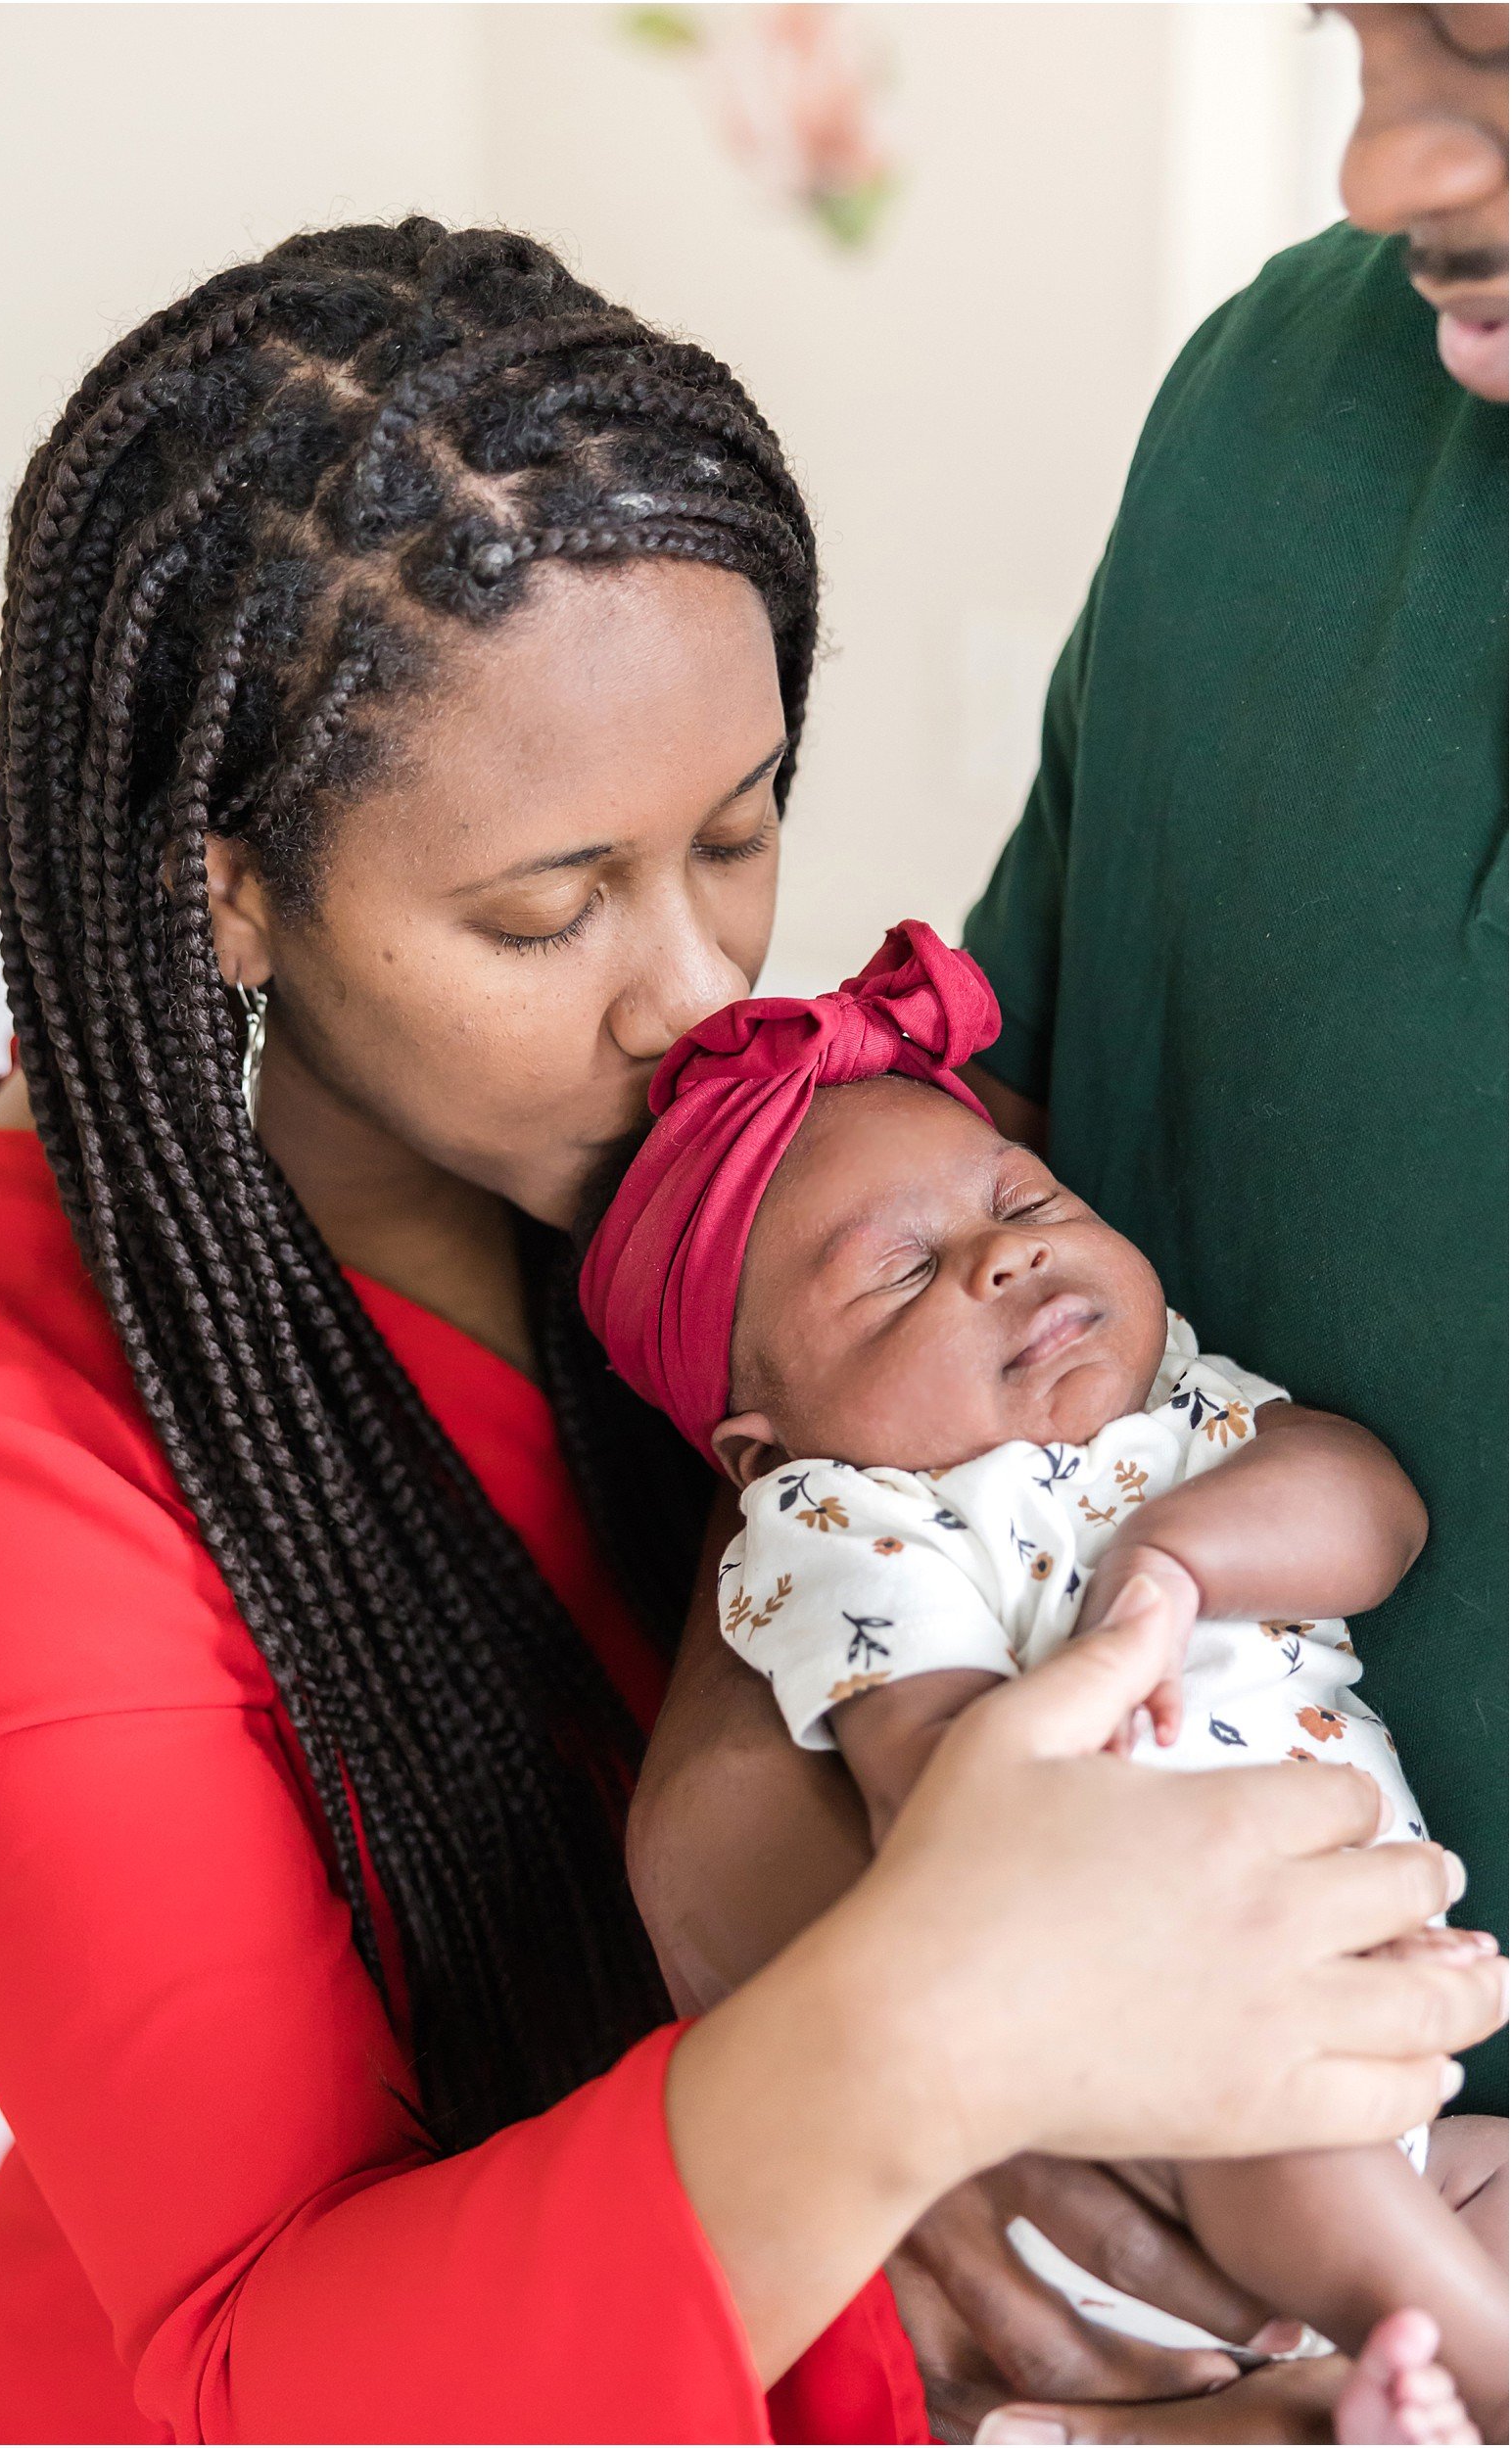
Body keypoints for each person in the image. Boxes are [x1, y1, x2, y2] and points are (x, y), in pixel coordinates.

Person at [0, 221, 1499, 2448]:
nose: (690, 993)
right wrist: (920, 2031)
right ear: (220, 883)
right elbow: (263, 2366)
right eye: (546, 907)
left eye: (740, 836)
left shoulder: (773, 1162)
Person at [625, 8, 1508, 2442]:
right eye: (1365, 21)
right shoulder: (1275, 432)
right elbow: (926, 1161)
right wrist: (745, 1858)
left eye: (1492, 38)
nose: (1382, 154)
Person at [577, 918, 1509, 2442]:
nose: (1002, 1252)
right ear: (767, 1450)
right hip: (1165, 2040)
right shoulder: (849, 1522)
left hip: (1381, 2090)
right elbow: (936, 1781)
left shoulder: (1180, 1409)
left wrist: (1186, 1553)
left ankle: (1347, 2402)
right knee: (1292, 2152)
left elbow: (1374, 1510)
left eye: (1025, 1198)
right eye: (896, 1279)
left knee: (1486, 2181)